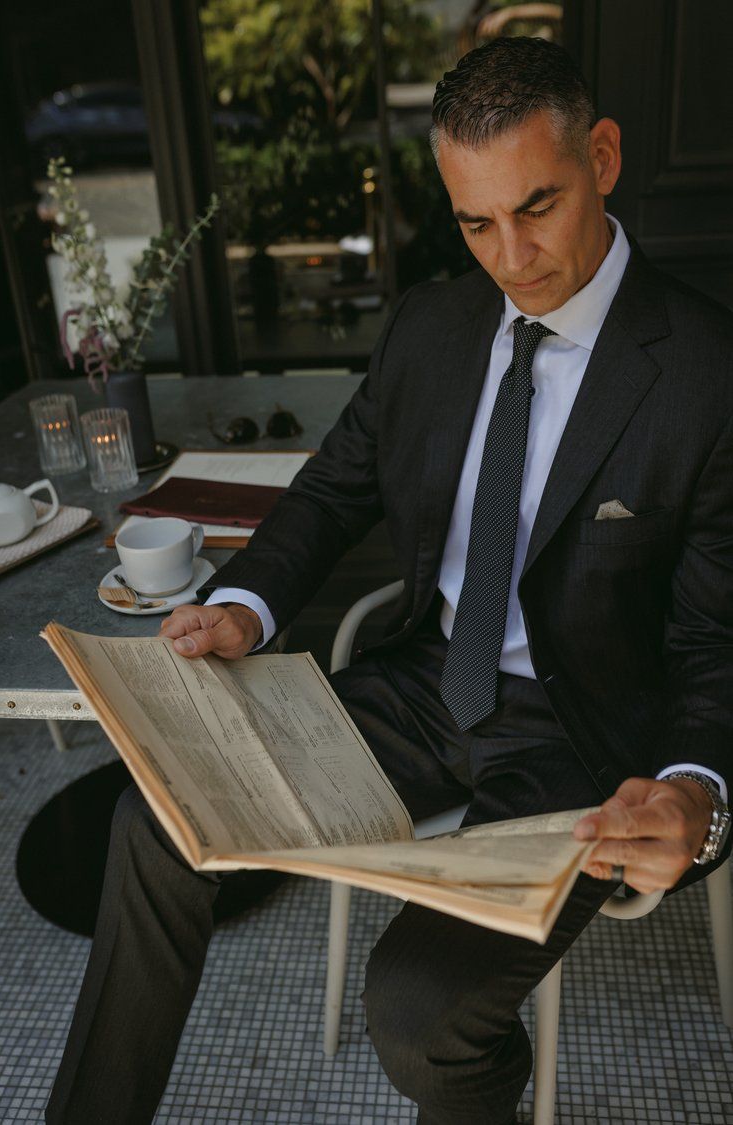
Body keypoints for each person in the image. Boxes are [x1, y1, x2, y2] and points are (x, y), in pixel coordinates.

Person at [46, 37, 732, 1125]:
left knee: (419, 1012)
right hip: (424, 683)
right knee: (151, 816)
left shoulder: (706, 373)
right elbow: (331, 492)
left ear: (601, 155)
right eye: (475, 222)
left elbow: (713, 647)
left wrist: (701, 791)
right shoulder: (430, 325)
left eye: (537, 206)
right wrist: (242, 606)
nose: (511, 256)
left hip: (586, 737)